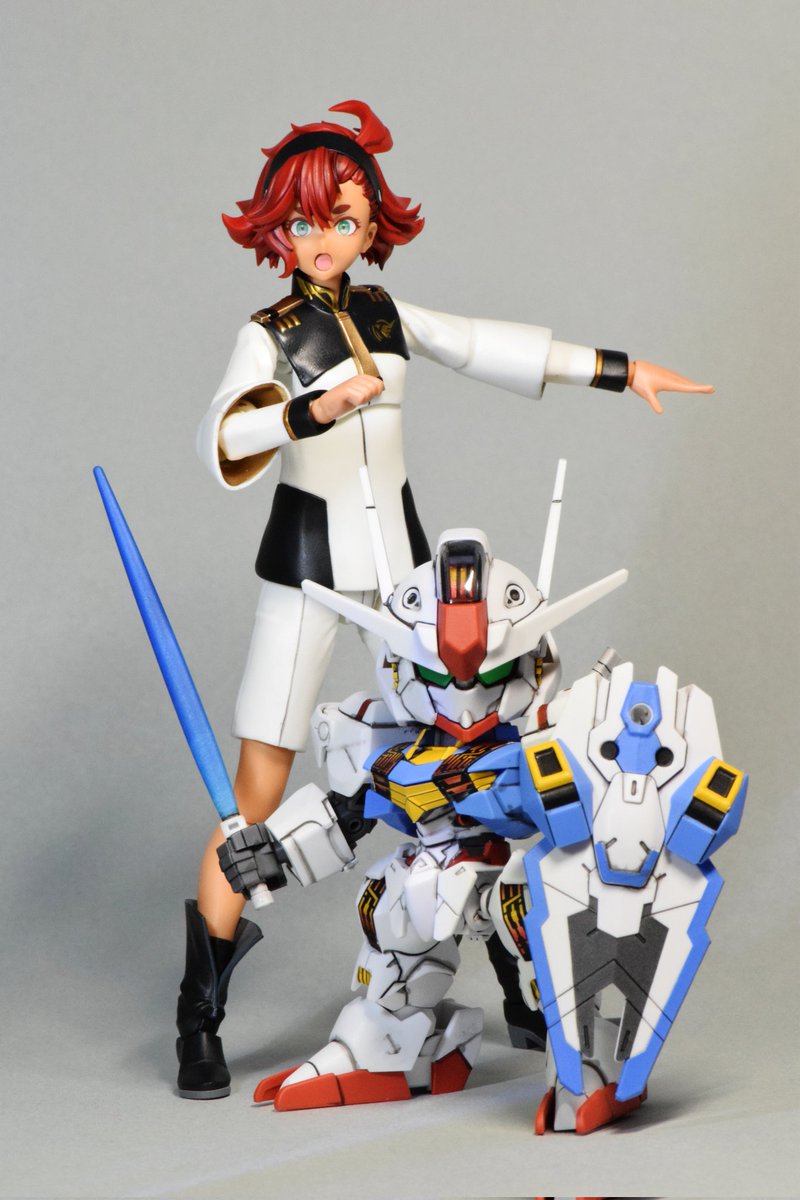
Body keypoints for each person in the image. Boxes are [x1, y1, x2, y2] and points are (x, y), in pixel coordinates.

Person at [178, 99, 712, 1099]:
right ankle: (197, 1009)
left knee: (482, 759)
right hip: (308, 573)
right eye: (304, 222)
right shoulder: (270, 334)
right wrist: (309, 408)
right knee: (254, 796)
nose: (323, 240)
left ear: (372, 224)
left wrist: (618, 369)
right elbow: (223, 434)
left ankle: (516, 969)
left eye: (342, 219)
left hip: (405, 583)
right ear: (276, 229)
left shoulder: (385, 315)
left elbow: (487, 346)